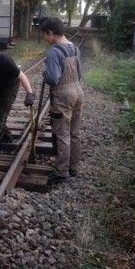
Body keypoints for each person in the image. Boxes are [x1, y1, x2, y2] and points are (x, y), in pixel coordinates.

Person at [40, 17, 84, 182]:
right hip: (78, 92)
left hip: (63, 95)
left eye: (45, 35)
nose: (45, 39)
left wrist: (45, 72)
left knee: (62, 134)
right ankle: (73, 168)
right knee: (74, 133)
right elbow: (79, 73)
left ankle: (61, 172)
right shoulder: (74, 48)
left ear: (51, 32)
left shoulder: (54, 51)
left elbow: (52, 78)